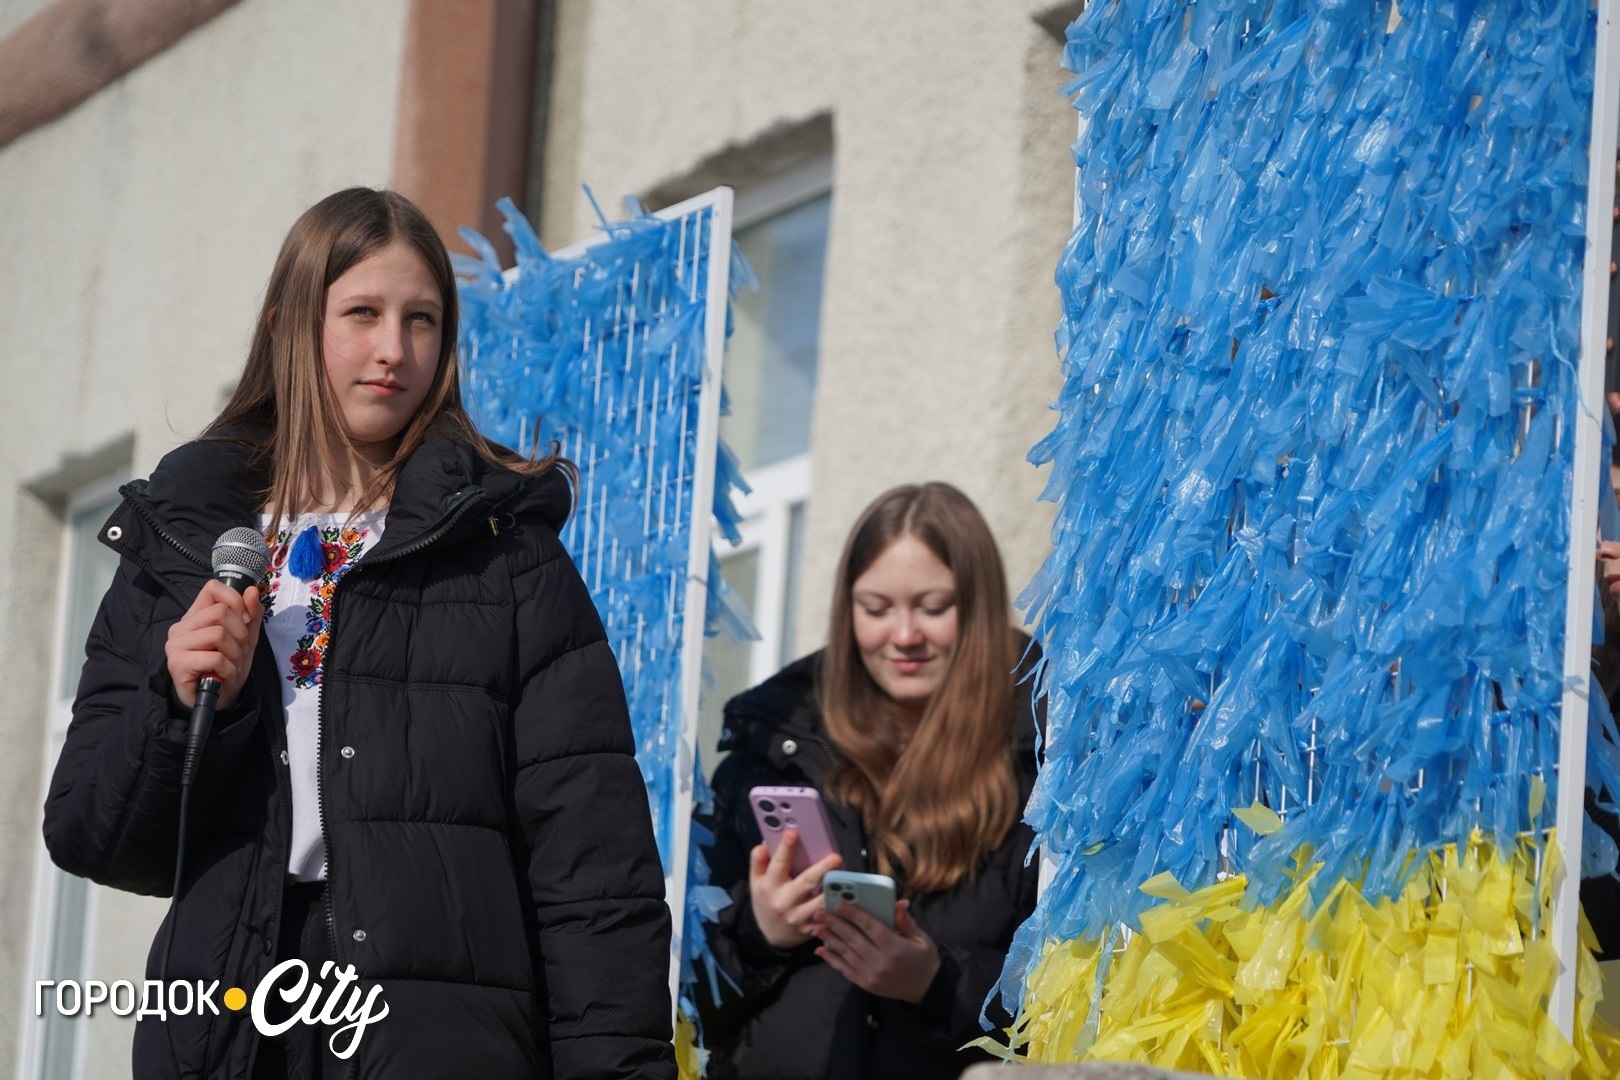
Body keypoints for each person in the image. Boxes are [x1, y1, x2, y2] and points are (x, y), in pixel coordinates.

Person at [43, 188, 675, 1079]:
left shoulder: (503, 554)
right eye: (363, 314)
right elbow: (92, 837)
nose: (394, 350)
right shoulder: (185, 542)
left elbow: (594, 872)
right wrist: (177, 702)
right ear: (290, 328)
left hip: (438, 1031)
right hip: (229, 1028)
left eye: (422, 320)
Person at [696, 482, 1041, 1079]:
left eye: (933, 607)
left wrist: (937, 982)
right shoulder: (769, 743)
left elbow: (1078, 1001)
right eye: (876, 609)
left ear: (980, 609)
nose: (904, 635)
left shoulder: (1046, 758)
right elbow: (679, 995)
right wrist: (760, 934)